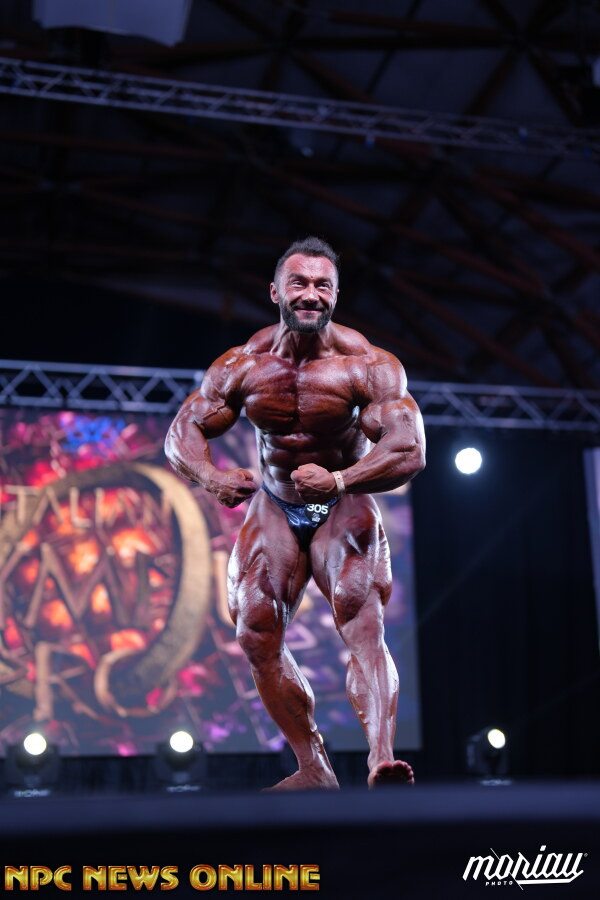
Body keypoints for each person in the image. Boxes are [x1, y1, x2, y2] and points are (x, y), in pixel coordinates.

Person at [165, 237, 425, 790]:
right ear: (275, 291)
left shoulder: (367, 365)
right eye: (299, 283)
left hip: (342, 500)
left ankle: (380, 759)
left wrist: (340, 479)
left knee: (362, 620)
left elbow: (409, 450)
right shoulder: (243, 364)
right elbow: (182, 431)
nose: (311, 295)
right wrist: (211, 477)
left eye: (323, 285)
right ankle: (314, 766)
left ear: (336, 295)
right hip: (278, 503)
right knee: (256, 631)